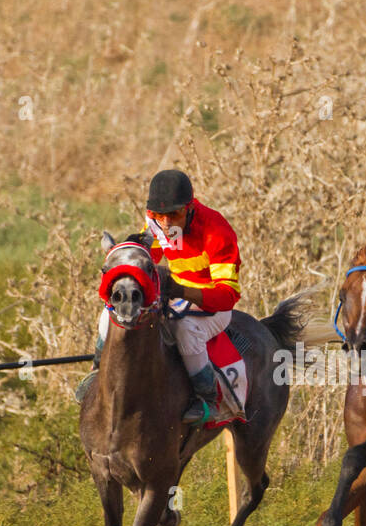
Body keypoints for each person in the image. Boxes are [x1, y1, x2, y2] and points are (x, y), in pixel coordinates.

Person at [77, 169, 242, 424]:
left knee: (185, 330)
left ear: (190, 209)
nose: (164, 224)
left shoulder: (217, 232)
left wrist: (181, 290)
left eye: (174, 215)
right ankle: (97, 371)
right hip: (173, 296)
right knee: (113, 314)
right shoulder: (157, 222)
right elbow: (149, 257)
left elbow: (227, 296)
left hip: (211, 306)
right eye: (157, 216)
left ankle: (208, 398)